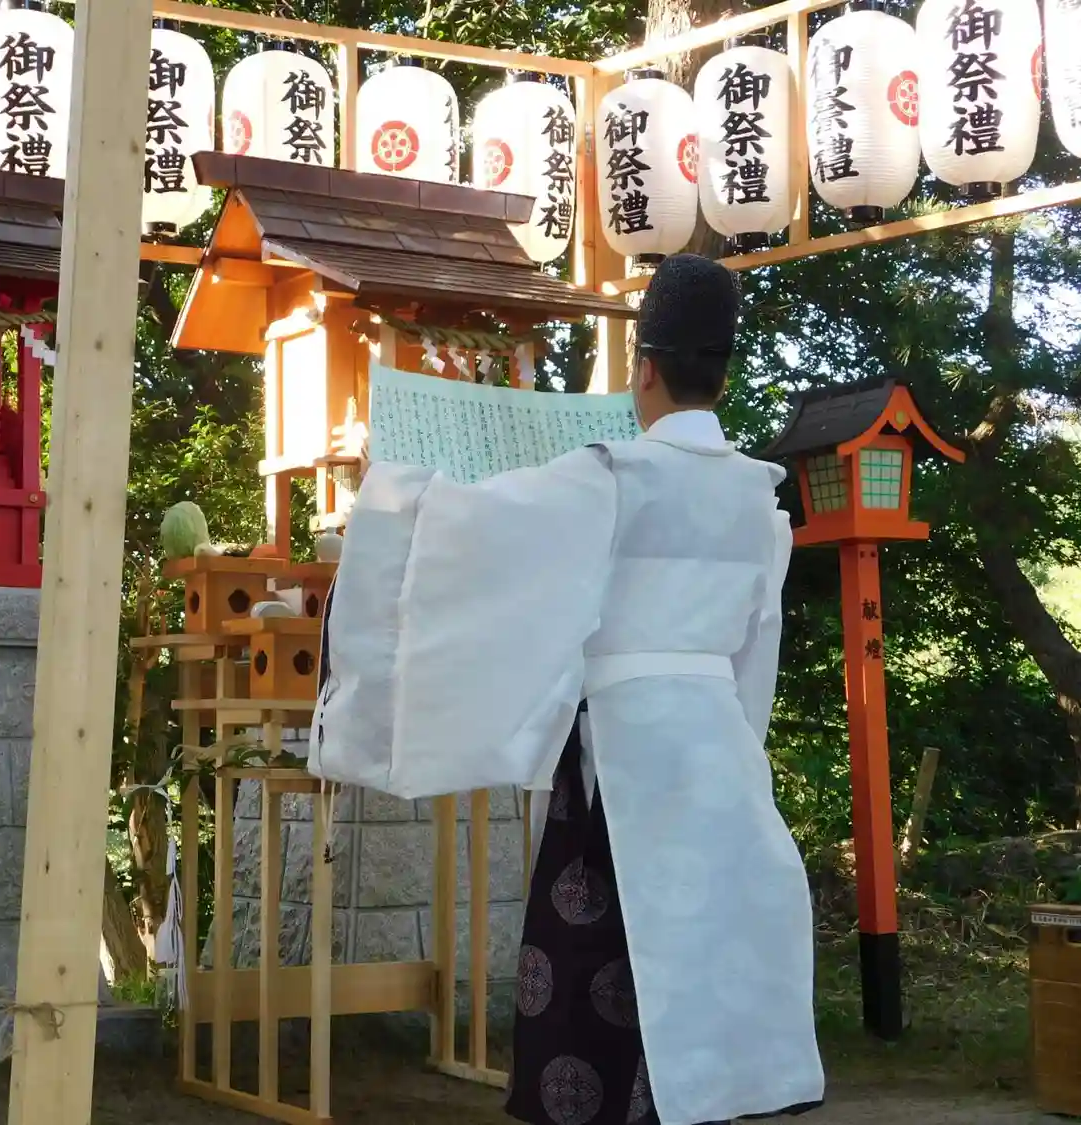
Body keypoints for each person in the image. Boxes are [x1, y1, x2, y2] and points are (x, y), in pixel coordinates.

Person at [311, 254, 824, 1125]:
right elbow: (755, 657)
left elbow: (480, 532)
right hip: (716, 761)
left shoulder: (613, 474)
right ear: (722, 371)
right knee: (697, 966)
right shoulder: (757, 497)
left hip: (617, 760)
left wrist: (389, 494)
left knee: (599, 976)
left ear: (645, 368)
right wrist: (742, 757)